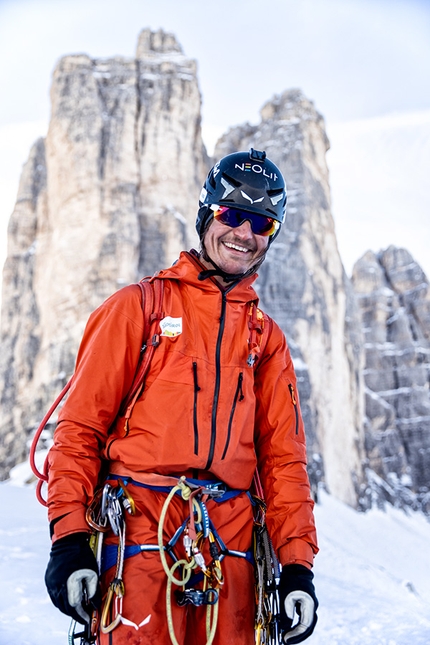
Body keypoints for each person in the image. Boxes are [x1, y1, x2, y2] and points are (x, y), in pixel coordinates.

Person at [45, 148, 319, 645]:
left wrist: (298, 567)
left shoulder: (266, 340)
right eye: (232, 215)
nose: (244, 234)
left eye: (262, 224)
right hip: (137, 534)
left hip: (231, 549)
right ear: (206, 212)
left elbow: (283, 462)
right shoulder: (138, 308)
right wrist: (69, 540)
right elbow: (80, 430)